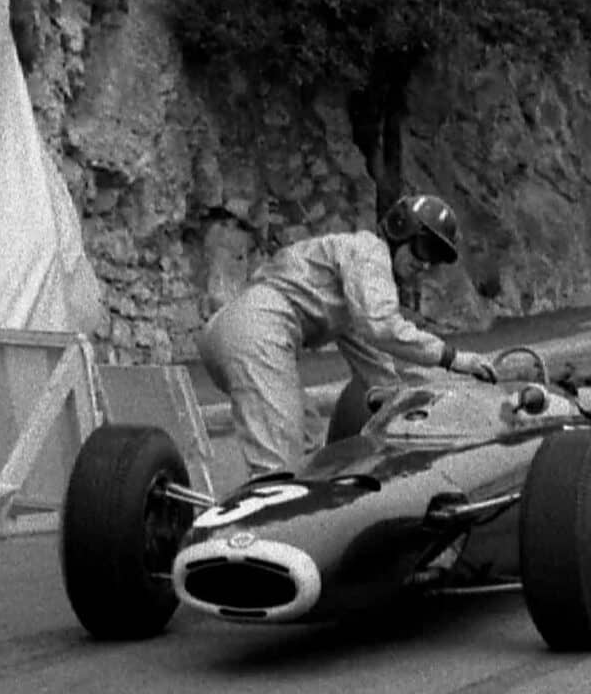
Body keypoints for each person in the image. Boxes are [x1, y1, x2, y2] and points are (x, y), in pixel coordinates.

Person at [196, 194, 496, 490]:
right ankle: (263, 531)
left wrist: (403, 409)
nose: (426, 264)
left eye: (435, 258)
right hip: (256, 331)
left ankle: (307, 511)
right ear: (401, 229)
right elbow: (383, 327)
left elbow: (374, 362)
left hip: (237, 328)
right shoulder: (370, 253)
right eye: (425, 248)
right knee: (279, 472)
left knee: (308, 438)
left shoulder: (357, 288)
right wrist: (455, 359)